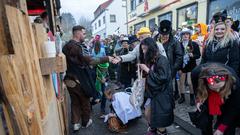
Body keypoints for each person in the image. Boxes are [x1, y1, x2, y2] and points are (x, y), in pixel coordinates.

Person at [62, 25, 113, 131]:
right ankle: (85, 122)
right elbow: (91, 61)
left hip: (68, 78)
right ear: (78, 33)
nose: (84, 36)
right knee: (85, 100)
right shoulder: (79, 47)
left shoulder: (65, 46)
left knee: (75, 101)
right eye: (84, 33)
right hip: (80, 79)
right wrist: (106, 58)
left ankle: (75, 123)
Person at [191, 63, 240, 135]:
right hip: (207, 91)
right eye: (215, 88)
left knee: (228, 126)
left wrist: (222, 128)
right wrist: (198, 99)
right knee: (205, 119)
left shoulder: (235, 83)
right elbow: (197, 89)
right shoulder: (196, 74)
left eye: (220, 87)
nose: (217, 91)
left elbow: (233, 108)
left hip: (227, 92)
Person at [138, 37, 173, 135]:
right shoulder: (151, 59)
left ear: (151, 48)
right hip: (153, 93)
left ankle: (160, 132)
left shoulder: (162, 59)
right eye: (142, 49)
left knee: (160, 120)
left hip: (162, 94)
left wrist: (147, 70)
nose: (143, 52)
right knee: (148, 113)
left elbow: (162, 78)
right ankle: (152, 129)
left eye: (145, 49)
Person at [157, 20, 183, 100]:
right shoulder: (155, 40)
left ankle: (168, 99)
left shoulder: (175, 42)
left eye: (166, 34)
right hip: (158, 67)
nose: (165, 36)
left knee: (168, 84)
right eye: (163, 34)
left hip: (170, 68)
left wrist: (174, 68)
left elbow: (179, 55)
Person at [178, 28, 201, 106]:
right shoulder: (179, 44)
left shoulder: (194, 44)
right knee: (181, 83)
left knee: (189, 82)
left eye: (187, 34)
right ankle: (182, 97)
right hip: (182, 67)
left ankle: (192, 97)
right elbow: (177, 56)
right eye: (183, 34)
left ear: (189, 35)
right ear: (181, 36)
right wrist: (178, 68)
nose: (185, 36)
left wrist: (193, 55)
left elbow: (198, 55)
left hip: (191, 66)